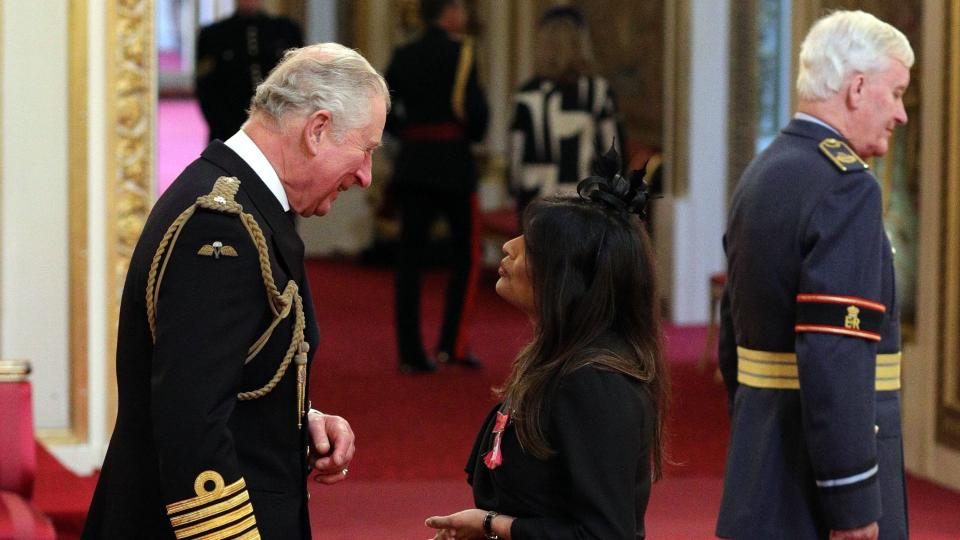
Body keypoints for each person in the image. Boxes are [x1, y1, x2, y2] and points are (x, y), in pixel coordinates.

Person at [82, 43, 389, 539]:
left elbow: (223, 375)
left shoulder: (246, 204)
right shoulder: (220, 227)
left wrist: (298, 416)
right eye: (366, 149)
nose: (365, 175)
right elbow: (190, 423)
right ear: (317, 130)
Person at [716, 10, 912, 540]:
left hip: (763, 467)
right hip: (817, 491)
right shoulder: (845, 186)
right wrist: (852, 500)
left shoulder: (765, 171)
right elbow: (837, 354)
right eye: (895, 94)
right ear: (857, 88)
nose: (901, 114)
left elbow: (730, 337)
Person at [425, 150, 669, 539]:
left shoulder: (593, 382)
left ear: (568, 279)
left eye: (531, 247)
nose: (508, 247)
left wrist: (493, 525)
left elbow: (605, 535)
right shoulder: (560, 358)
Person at [385, 0, 490, 373]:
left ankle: (410, 353)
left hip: (413, 163)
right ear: (449, 11)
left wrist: (406, 134)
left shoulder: (404, 53)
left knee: (409, 260)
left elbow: (382, 106)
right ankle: (452, 344)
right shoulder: (462, 51)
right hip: (453, 165)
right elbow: (475, 113)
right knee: (467, 254)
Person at [508, 5, 626, 219]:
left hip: (537, 204)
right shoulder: (598, 91)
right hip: (587, 206)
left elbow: (516, 161)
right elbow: (614, 155)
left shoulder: (527, 94)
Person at [195, 0, 303, 142]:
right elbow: (206, 90)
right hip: (229, 131)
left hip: (278, 126)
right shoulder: (213, 35)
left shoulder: (287, 31)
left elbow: (298, 82)